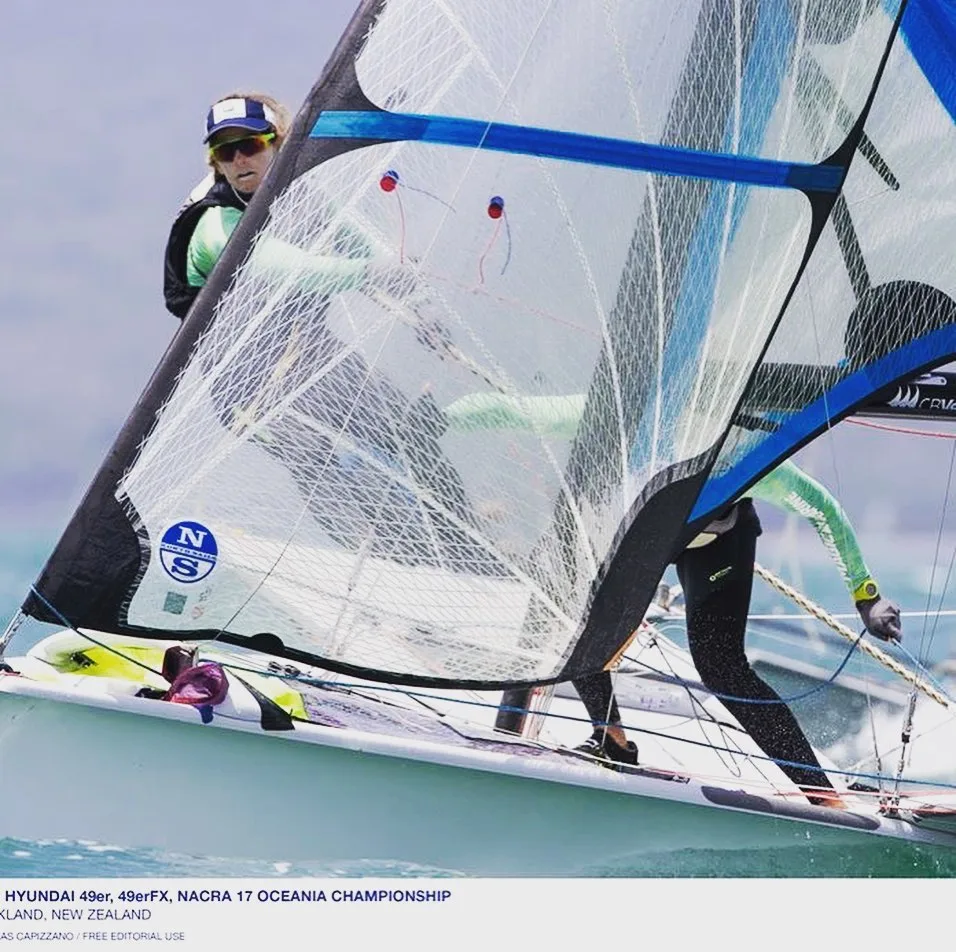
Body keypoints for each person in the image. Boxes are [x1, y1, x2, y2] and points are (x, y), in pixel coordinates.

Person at [444, 391, 902, 803]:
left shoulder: (749, 458)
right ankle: (612, 740)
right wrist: (442, 418)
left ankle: (821, 794)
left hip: (718, 541)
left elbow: (825, 511)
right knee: (582, 621)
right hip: (646, 532)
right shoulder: (631, 419)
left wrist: (867, 597)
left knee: (721, 667)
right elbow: (514, 406)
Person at [161, 93, 498, 574]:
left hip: (315, 357)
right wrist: (372, 272)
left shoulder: (303, 199)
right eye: (224, 151)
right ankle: (399, 573)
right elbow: (292, 269)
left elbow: (360, 246)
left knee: (413, 433)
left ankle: (475, 551)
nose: (239, 160)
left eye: (250, 145)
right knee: (325, 472)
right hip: (251, 389)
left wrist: (423, 310)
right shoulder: (215, 223)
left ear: (277, 143)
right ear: (214, 161)